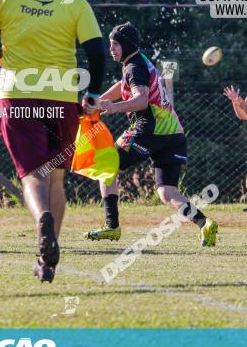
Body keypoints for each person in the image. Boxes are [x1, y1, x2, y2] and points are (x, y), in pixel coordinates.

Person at [0, 0, 107, 283]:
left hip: (17, 98)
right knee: (56, 178)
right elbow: (97, 53)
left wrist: (0, 54)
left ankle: (41, 220)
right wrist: (91, 95)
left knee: (32, 176)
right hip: (62, 101)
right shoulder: (74, 1)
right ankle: (48, 261)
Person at [85, 23, 219, 246]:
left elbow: (142, 100)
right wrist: (98, 101)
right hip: (174, 133)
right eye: (110, 45)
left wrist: (113, 107)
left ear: (126, 45)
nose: (111, 49)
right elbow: (123, 85)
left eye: (115, 44)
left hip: (150, 129)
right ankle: (205, 224)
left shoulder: (134, 67)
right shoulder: (138, 63)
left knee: (105, 165)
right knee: (167, 192)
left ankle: (111, 226)